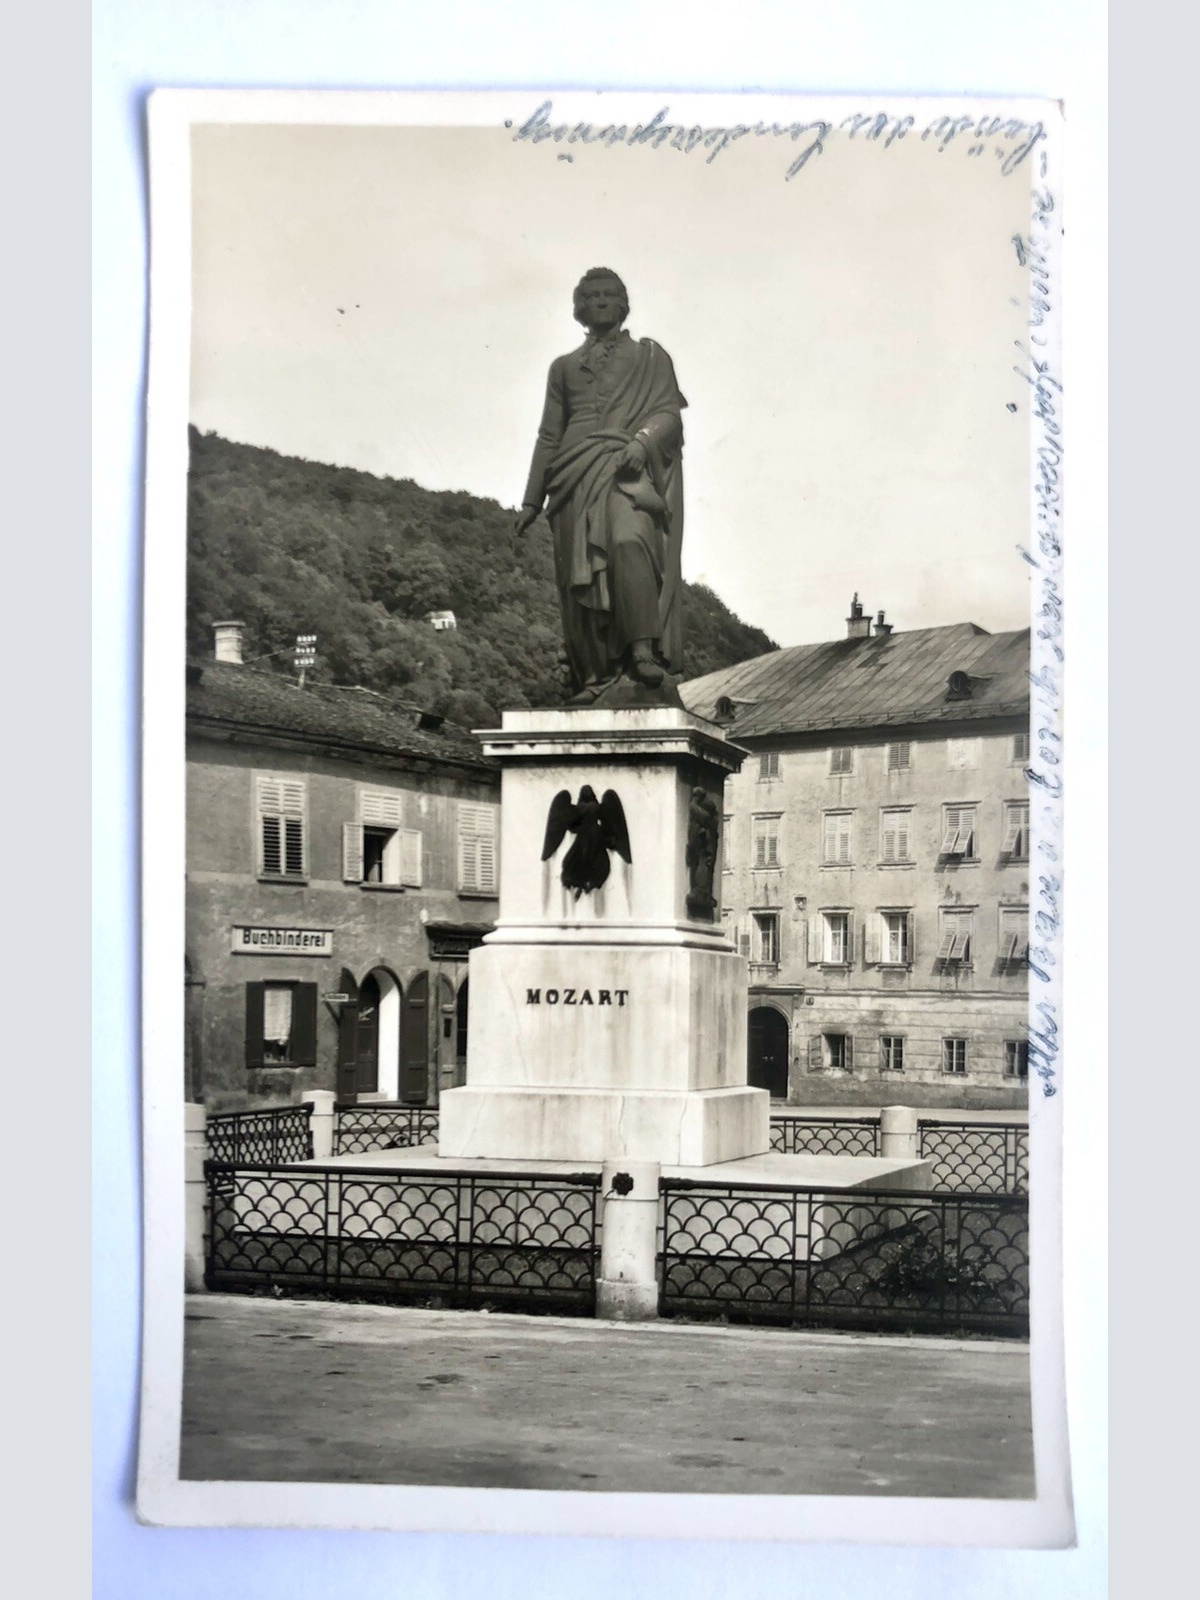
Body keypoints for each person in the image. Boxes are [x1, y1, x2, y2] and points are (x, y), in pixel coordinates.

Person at [513, 269, 686, 702]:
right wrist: (531, 500)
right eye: (593, 295)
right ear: (579, 306)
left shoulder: (650, 357)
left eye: (611, 294)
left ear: (625, 303)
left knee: (630, 541)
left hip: (626, 468)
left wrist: (643, 443)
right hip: (571, 475)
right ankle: (594, 675)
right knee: (581, 576)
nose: (603, 301)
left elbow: (669, 414)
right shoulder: (562, 368)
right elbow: (549, 435)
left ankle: (642, 649)